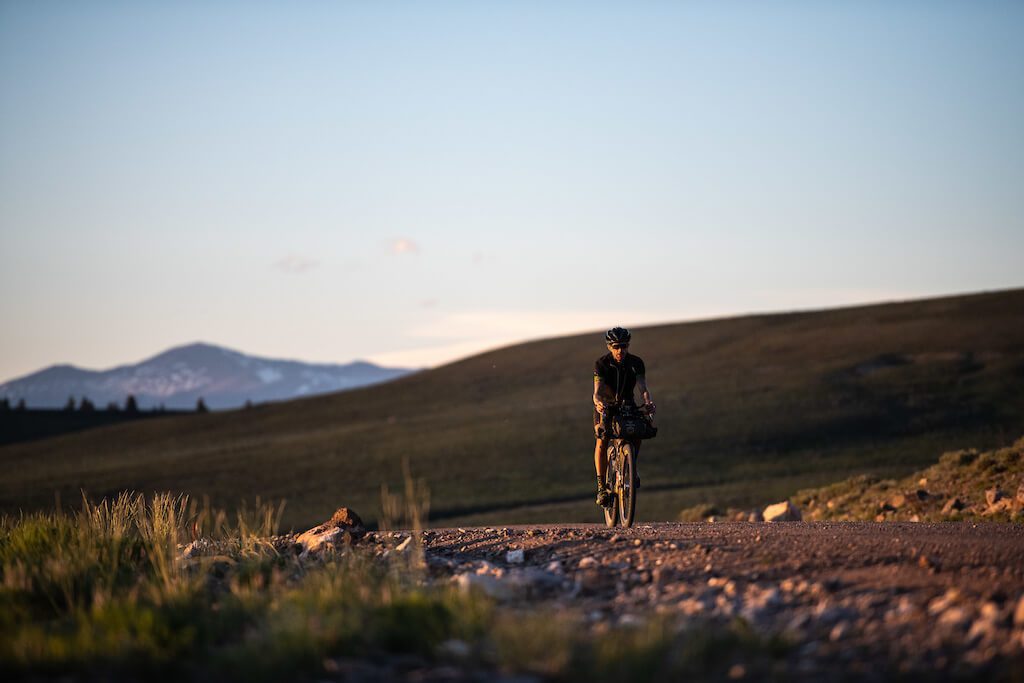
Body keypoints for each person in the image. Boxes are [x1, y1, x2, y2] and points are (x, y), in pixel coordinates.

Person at [593, 327, 655, 505]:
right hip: (605, 405)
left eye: (624, 346)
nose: (621, 350)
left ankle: (631, 466)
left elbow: (643, 388)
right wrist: (598, 403)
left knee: (639, 430)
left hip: (628, 402)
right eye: (616, 346)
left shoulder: (636, 362)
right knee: (602, 440)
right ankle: (601, 487)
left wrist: (648, 402)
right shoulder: (601, 364)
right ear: (610, 347)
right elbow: (596, 392)